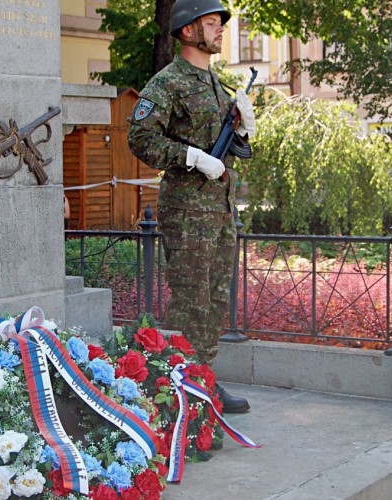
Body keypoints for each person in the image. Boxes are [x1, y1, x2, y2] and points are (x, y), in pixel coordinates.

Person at [126, 0, 256, 413]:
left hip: (218, 208)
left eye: (220, 24)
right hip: (187, 212)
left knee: (216, 299)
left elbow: (228, 149)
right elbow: (140, 138)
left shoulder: (215, 83)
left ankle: (205, 384)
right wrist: (192, 157)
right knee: (190, 301)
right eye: (212, 23)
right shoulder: (168, 83)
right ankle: (183, 394)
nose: (220, 31)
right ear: (187, 31)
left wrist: (244, 132)